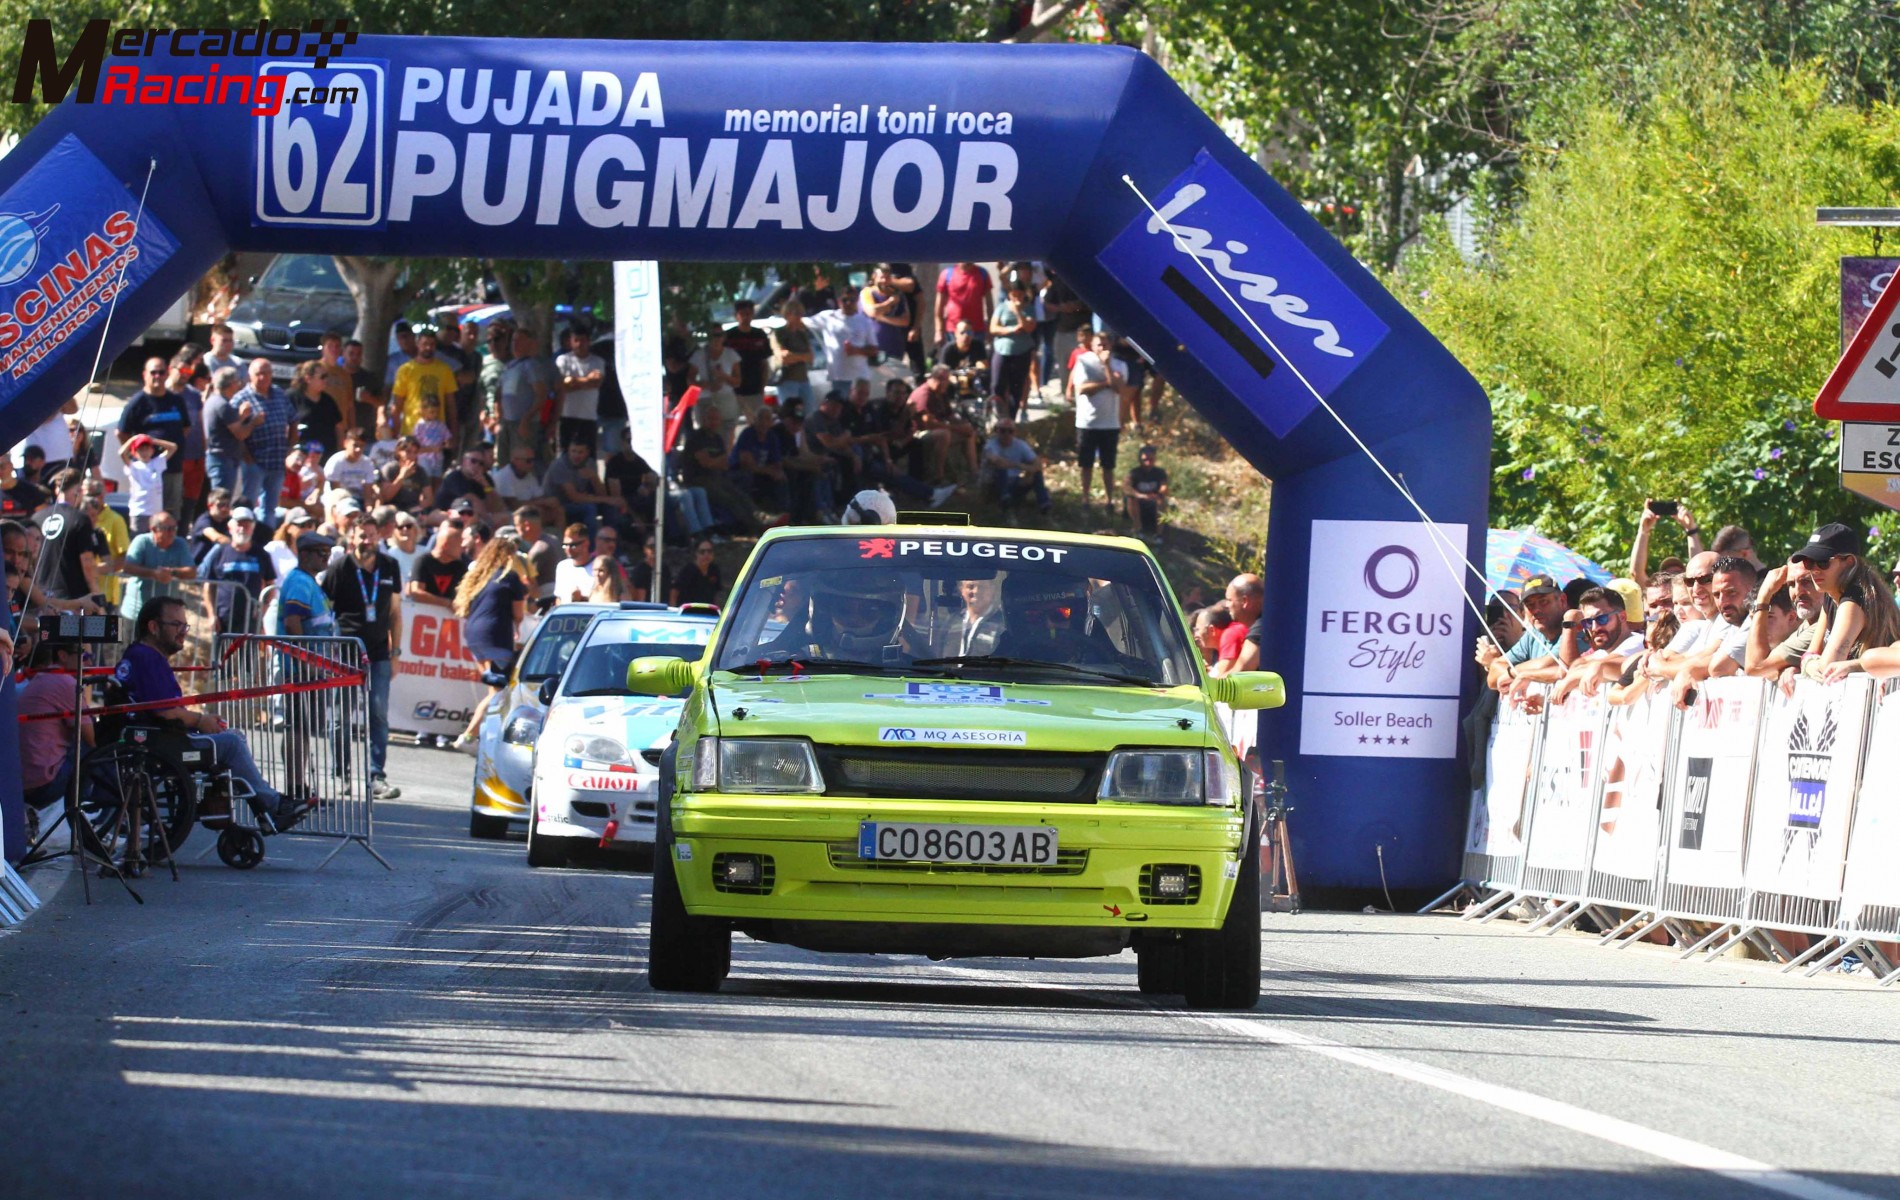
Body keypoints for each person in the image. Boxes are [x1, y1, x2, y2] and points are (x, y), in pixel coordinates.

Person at [117, 595, 306, 831]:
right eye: (176, 625)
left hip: (160, 736)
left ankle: (266, 811)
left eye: (184, 625)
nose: (183, 631)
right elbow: (164, 711)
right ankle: (274, 806)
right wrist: (200, 720)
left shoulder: (143, 655)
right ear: (153, 627)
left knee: (233, 736)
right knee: (232, 743)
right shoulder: (147, 658)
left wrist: (202, 721)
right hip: (158, 742)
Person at [322, 519, 403, 799]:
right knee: (341, 716)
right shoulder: (339, 568)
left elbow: (395, 613)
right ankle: (340, 774)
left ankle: (376, 776)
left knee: (378, 714)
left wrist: (396, 653)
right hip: (344, 653)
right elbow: (324, 610)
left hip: (379, 651)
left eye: (371, 535)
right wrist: (326, 650)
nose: (366, 541)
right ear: (351, 538)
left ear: (379, 536)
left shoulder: (389, 566)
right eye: (361, 536)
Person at [450, 535, 532, 751]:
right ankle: (468, 737)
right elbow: (518, 613)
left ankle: (482, 737)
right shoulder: (509, 577)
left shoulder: (479, 576)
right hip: (495, 636)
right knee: (498, 691)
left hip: (475, 635)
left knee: (495, 691)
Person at [19, 636, 93, 819]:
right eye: (82, 655)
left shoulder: (41, 678)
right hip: (43, 784)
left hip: (22, 781)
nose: (87, 661)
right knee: (99, 754)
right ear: (62, 655)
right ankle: (94, 817)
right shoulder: (66, 683)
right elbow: (92, 739)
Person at [119, 356, 193, 515]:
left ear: (167, 374)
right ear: (145, 375)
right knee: (150, 516)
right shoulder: (137, 403)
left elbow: (186, 428)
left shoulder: (176, 400)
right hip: (149, 472)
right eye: (153, 372)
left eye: (161, 372)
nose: (157, 376)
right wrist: (139, 456)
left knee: (171, 514)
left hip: (173, 467)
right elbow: (122, 433)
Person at [992, 572, 1118, 665]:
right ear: (1020, 622)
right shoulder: (999, 664)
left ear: (1077, 617)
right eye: (1033, 616)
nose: (1049, 625)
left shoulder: (1109, 664)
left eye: (1060, 614)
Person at [1070, 331, 1125, 513]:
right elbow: (1082, 389)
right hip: (1087, 422)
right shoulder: (1084, 362)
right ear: (1092, 346)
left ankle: (1109, 500)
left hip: (1110, 423)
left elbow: (1118, 388)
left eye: (1105, 344)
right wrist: (1104, 384)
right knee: (1086, 464)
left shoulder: (1119, 364)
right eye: (1098, 345)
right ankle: (1085, 498)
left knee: (1108, 465)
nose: (1102, 348)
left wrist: (1107, 366)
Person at [233, 358, 294, 521]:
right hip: (254, 461)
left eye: (267, 373)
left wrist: (290, 447)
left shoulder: (280, 393)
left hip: (277, 461)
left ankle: (264, 540)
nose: (263, 377)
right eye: (258, 374)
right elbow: (233, 431)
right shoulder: (241, 399)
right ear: (250, 375)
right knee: (248, 507)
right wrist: (246, 456)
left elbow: (293, 418)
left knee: (269, 509)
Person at [199, 506, 275, 634]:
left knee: (248, 654)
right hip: (223, 619)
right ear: (230, 527)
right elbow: (209, 586)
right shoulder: (219, 553)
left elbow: (270, 586)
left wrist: (263, 609)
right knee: (222, 654)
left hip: (251, 620)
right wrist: (212, 615)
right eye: (239, 525)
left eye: (247, 525)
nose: (242, 529)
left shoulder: (262, 555)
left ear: (253, 528)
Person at [30, 469, 101, 604]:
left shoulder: (36, 517)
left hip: (42, 598)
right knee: (79, 626)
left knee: (48, 626)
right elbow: (88, 564)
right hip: (75, 600)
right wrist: (97, 598)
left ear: (57, 490)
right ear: (78, 490)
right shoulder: (80, 519)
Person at [117, 513, 195, 621]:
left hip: (166, 617)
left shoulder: (180, 544)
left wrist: (172, 572)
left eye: (174, 528)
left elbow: (192, 572)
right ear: (154, 529)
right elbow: (128, 567)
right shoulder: (141, 541)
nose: (172, 532)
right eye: (167, 529)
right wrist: (154, 573)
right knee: (127, 638)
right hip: (135, 612)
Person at [988, 280, 1037, 421]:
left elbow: (1028, 327)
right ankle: (999, 415)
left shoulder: (1029, 308)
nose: (1016, 298)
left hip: (1021, 351)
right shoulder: (1001, 308)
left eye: (1019, 295)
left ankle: (1011, 417)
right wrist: (1010, 329)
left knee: (1017, 386)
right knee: (997, 384)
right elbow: (993, 328)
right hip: (1002, 349)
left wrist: (1018, 312)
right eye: (1014, 295)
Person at [980, 420, 1051, 515]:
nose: (1006, 434)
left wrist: (1028, 471)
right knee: (1001, 470)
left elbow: (1037, 464)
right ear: (997, 431)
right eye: (1002, 431)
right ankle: (1004, 498)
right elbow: (996, 461)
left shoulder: (1020, 445)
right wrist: (1024, 466)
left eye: (1010, 431)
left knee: (1036, 474)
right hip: (994, 484)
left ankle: (1044, 503)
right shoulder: (990, 445)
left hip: (1014, 482)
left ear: (1015, 432)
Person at [554, 325, 605, 453]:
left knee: (588, 454)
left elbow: (597, 382)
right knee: (565, 454)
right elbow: (562, 386)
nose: (579, 344)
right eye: (576, 340)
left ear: (589, 341)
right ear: (570, 342)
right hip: (566, 416)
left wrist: (573, 381)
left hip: (589, 417)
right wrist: (587, 381)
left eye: (582, 340)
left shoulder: (597, 362)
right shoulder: (563, 360)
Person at [724, 300, 774, 426]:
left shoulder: (759, 335)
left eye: (748, 313)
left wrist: (763, 386)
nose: (746, 317)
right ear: (736, 315)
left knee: (757, 424)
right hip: (733, 389)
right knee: (730, 424)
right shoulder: (729, 336)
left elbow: (764, 363)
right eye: (742, 314)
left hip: (754, 388)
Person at [117, 433, 177, 534]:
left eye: (147, 449)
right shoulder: (133, 466)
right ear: (135, 453)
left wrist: (154, 441)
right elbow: (121, 453)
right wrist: (133, 439)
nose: (144, 452)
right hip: (139, 512)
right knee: (138, 538)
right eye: (141, 450)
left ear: (152, 450)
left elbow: (173, 447)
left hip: (156, 512)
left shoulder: (157, 463)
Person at [936, 576, 1005, 657]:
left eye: (981, 587)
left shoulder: (1002, 625)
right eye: (970, 587)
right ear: (961, 589)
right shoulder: (951, 622)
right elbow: (939, 656)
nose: (975, 591)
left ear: (992, 590)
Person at [1210, 574, 1264, 678]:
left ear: (1245, 601)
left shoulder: (1260, 630)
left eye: (1229, 600)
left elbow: (1239, 674)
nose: (1226, 605)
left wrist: (1208, 687)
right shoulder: (1264, 626)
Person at [406, 517, 467, 608]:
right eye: (459, 544)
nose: (463, 548)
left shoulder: (460, 567)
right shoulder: (423, 561)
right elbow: (416, 592)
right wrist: (447, 604)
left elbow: (465, 594)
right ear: (445, 546)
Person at [290, 359, 343, 457]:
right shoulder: (292, 397)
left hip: (326, 455)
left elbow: (339, 427)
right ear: (308, 379)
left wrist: (340, 451)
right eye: (322, 377)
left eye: (326, 376)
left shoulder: (328, 400)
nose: (326, 380)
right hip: (301, 456)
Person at [772, 301, 816, 413]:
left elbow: (811, 358)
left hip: (803, 379)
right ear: (787, 314)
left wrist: (795, 356)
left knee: (810, 411)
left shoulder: (802, 334)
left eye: (801, 313)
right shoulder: (779, 333)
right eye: (796, 313)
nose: (799, 316)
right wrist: (802, 357)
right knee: (790, 413)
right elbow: (784, 357)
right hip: (787, 380)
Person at [1123, 444, 1170, 535]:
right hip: (1137, 502)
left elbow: (1164, 486)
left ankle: (1159, 533)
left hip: (1153, 501)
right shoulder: (1134, 473)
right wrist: (1140, 496)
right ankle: (1137, 529)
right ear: (1140, 459)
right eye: (1145, 460)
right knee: (1131, 499)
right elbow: (1127, 488)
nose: (1148, 463)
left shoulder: (1160, 473)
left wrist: (1158, 494)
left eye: (1151, 459)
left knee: (1161, 501)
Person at [669, 538, 723, 607]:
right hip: (689, 612)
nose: (706, 555)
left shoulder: (714, 570)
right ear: (696, 553)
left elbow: (715, 594)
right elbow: (674, 592)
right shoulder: (688, 570)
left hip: (708, 611)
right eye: (702, 552)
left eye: (709, 551)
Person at [554, 524, 593, 604]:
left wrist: (581, 599)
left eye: (573, 545)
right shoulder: (563, 567)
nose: (568, 549)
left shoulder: (597, 567)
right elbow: (559, 598)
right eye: (565, 545)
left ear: (586, 543)